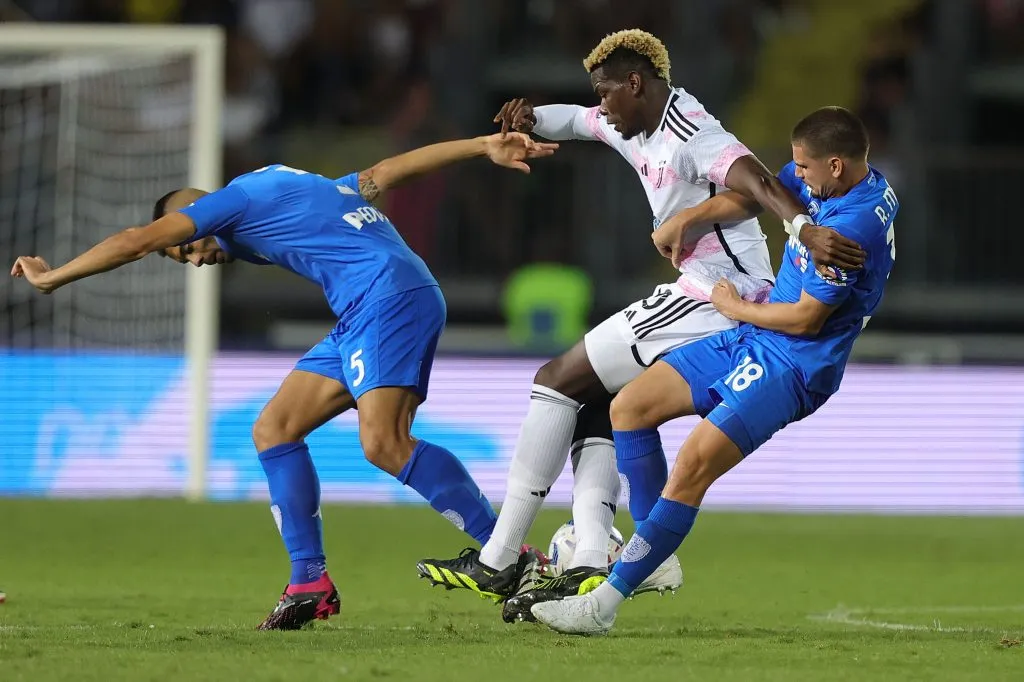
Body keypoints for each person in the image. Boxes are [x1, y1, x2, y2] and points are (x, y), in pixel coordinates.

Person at [10, 133, 558, 630]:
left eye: (184, 248)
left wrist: (52, 277)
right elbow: (387, 171)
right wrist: (483, 145)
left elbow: (133, 239)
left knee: (383, 443)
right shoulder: (296, 188)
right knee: (275, 428)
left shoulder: (234, 202)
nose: (194, 260)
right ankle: (308, 583)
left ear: (194, 215)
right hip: (366, 309)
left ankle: (505, 554)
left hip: (385, 298)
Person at [416, 29, 865, 621]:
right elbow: (577, 122)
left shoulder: (690, 131)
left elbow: (756, 181)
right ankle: (591, 557)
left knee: (557, 378)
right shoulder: (630, 123)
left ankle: (502, 556)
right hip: (696, 293)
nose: (601, 104)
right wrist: (531, 116)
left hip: (716, 297)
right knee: (603, 401)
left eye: (607, 92)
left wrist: (802, 228)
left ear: (637, 85)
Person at [531, 106, 898, 635]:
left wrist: (734, 306)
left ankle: (601, 606)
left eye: (807, 168)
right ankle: (651, 555)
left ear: (836, 165)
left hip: (793, 363)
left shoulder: (851, 226)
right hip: (755, 335)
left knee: (693, 465)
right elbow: (759, 193)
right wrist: (690, 217)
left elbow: (806, 318)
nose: (799, 176)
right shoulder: (843, 183)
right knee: (629, 407)